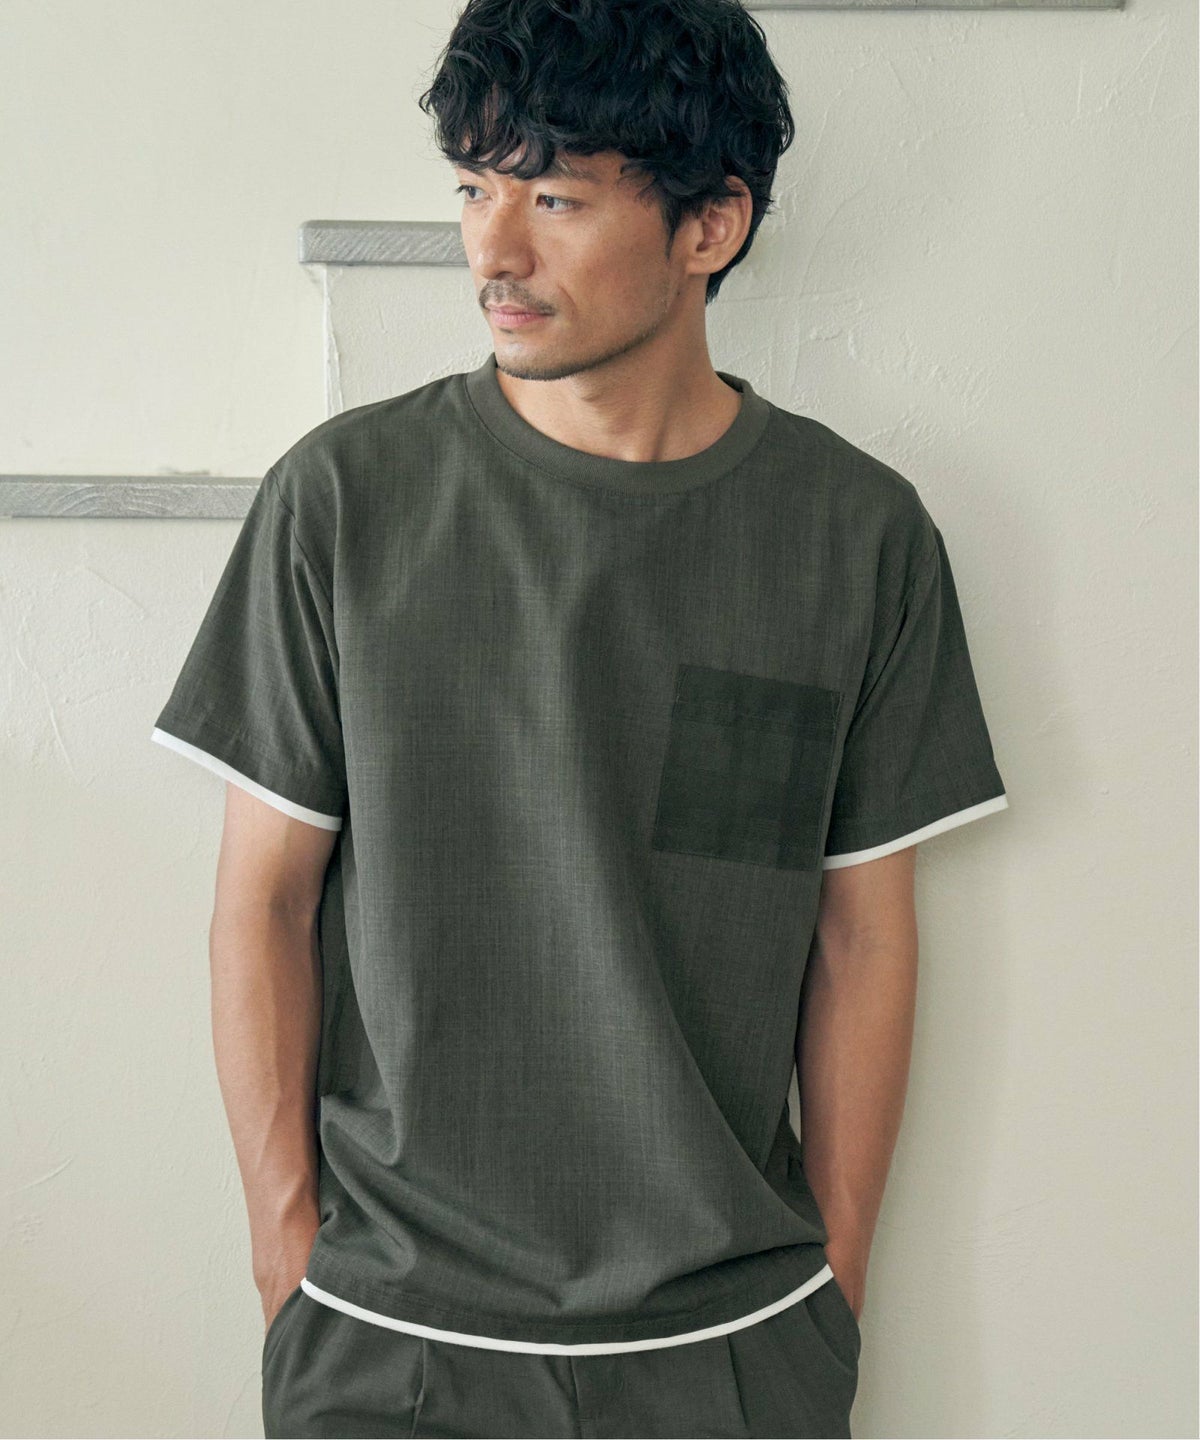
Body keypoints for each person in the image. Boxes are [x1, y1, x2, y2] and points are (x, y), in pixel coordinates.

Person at [150, 1, 1009, 1435]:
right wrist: (287, 1263)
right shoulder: (343, 504)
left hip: (733, 1345)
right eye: (472, 190)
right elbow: (263, 902)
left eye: (553, 198)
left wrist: (833, 1288)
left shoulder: (855, 536)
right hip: (390, 1342)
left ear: (710, 225)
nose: (491, 251)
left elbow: (861, 936)